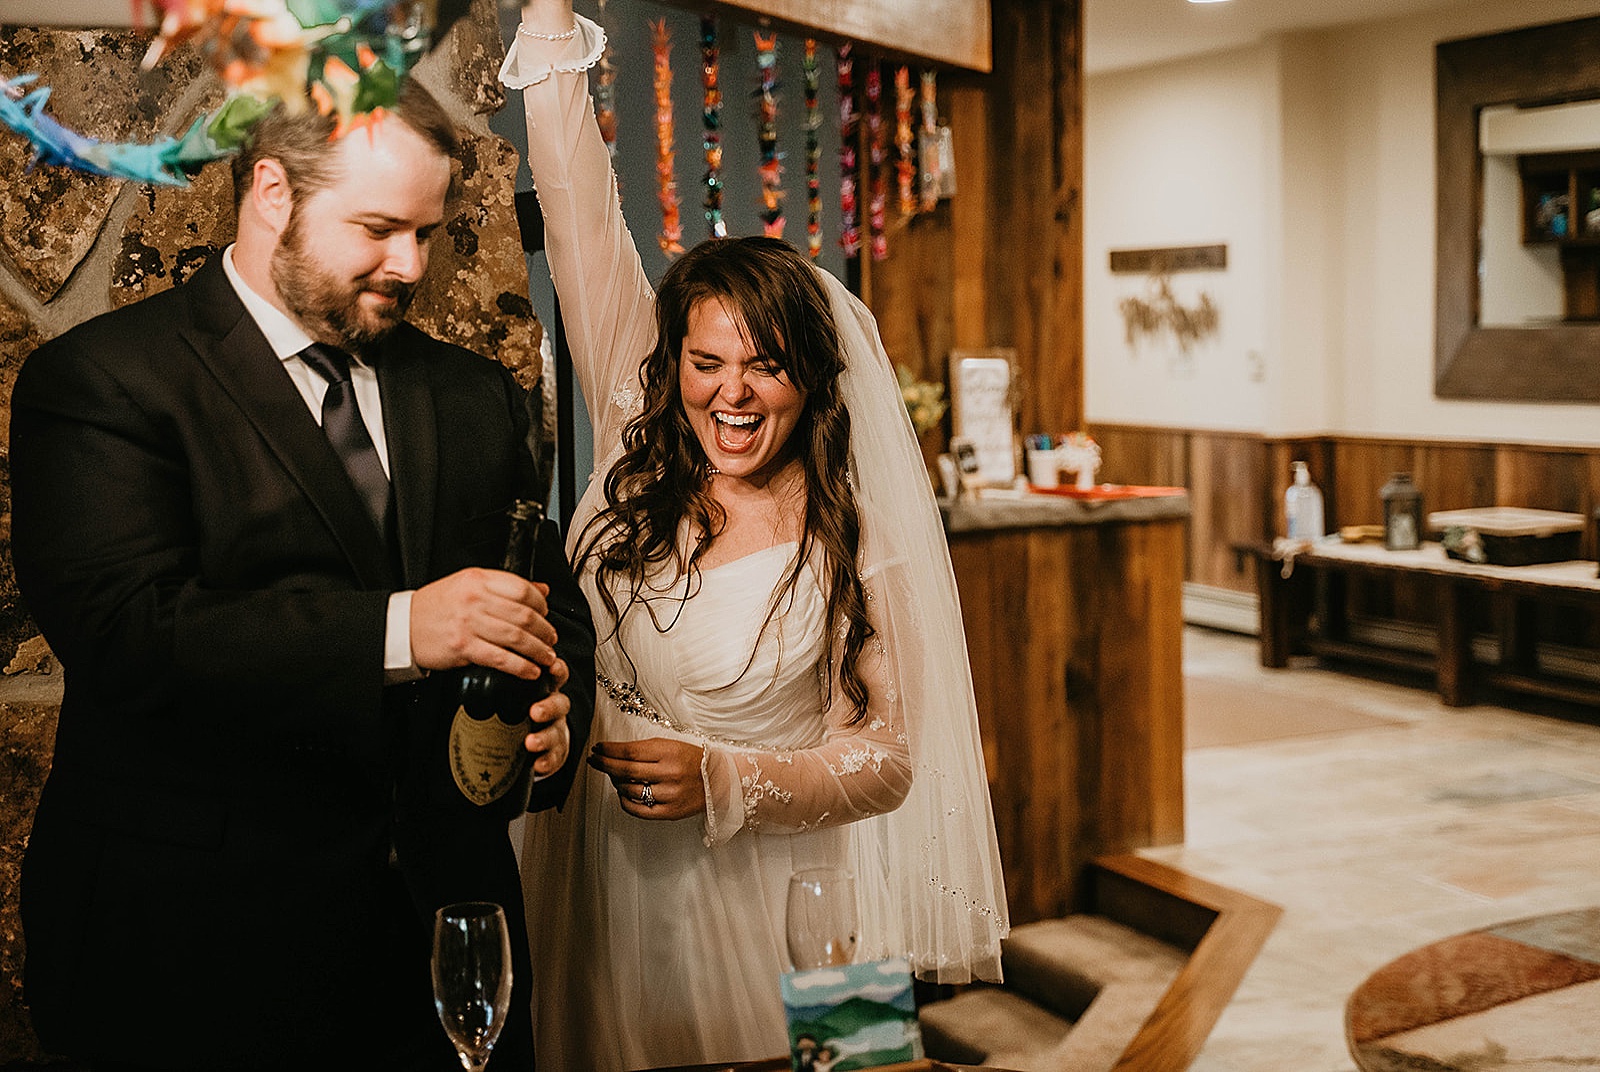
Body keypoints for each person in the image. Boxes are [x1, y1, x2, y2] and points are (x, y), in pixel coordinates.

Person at [11, 76, 594, 1072]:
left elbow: (542, 595)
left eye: (428, 232)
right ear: (272, 193)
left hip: (442, 945)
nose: (410, 264)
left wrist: (556, 707)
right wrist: (406, 628)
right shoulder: (104, 382)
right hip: (197, 957)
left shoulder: (474, 396)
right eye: (377, 227)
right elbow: (129, 633)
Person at [499, 5, 1009, 1069]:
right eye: (705, 362)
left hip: (779, 908)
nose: (729, 394)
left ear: (811, 379)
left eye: (763, 364)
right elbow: (580, 211)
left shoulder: (850, 531)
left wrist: (724, 779)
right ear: (671, 364)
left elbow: (892, 758)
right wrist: (547, 18)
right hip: (585, 887)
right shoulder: (635, 433)